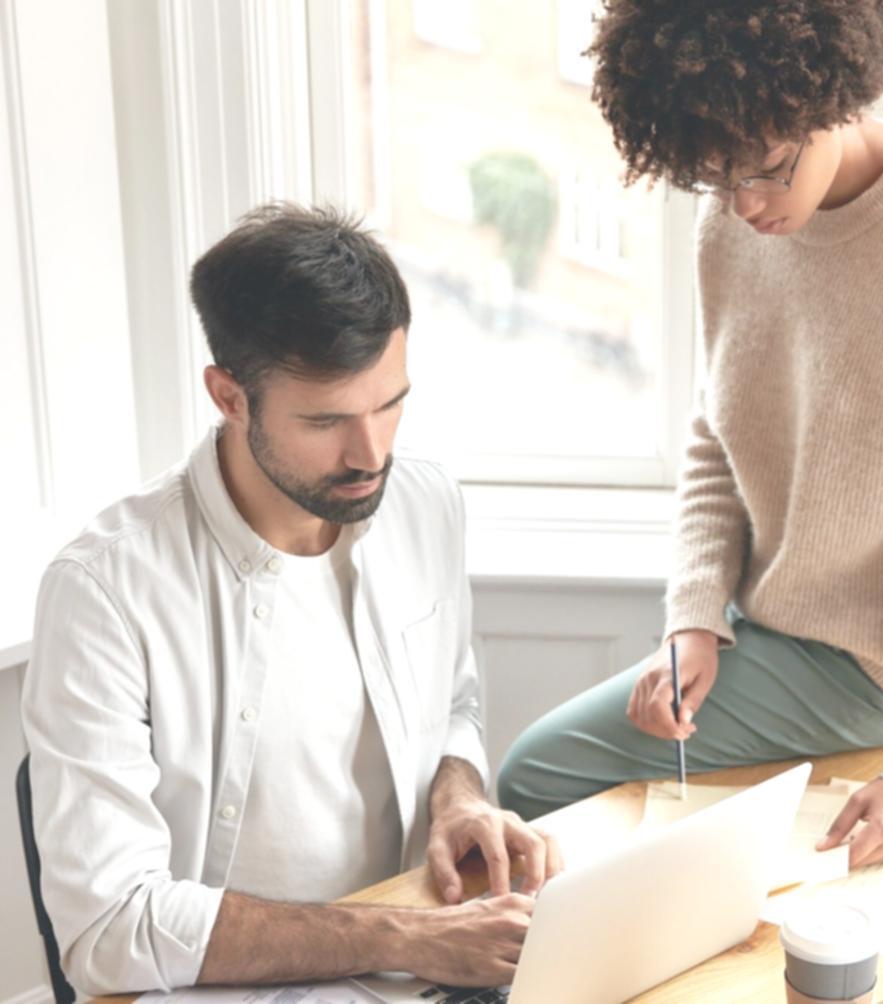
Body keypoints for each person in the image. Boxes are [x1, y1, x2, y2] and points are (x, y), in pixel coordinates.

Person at [497, 0, 883, 868]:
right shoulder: (736, 214)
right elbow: (717, 433)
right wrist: (694, 618)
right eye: (717, 178)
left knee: (534, 774)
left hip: (870, 662)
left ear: (833, 99)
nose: (745, 204)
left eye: (768, 171)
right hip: (764, 613)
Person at [21, 204, 559, 996]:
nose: (371, 453)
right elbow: (110, 927)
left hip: (424, 965)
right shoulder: (104, 590)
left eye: (390, 403)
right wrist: (404, 937)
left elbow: (453, 706)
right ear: (229, 397)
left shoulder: (425, 504)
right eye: (326, 420)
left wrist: (458, 798)